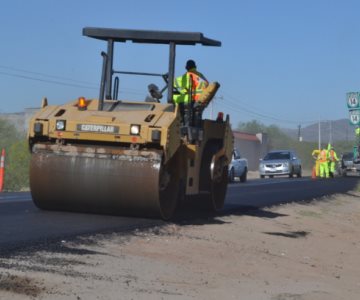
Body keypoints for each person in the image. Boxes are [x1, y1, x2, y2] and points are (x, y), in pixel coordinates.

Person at [173, 60, 209, 126]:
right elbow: (207, 84)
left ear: (186, 67)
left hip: (192, 100)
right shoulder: (200, 75)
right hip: (201, 100)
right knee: (197, 117)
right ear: (195, 66)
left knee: (176, 99)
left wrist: (172, 83)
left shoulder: (187, 75)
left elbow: (175, 83)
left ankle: (181, 123)